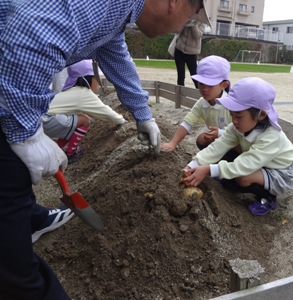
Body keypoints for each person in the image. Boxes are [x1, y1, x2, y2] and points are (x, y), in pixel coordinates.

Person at [0, 0, 208, 298]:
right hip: (6, 91)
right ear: (174, 2)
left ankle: (31, 216)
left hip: (8, 87)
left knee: (17, 175)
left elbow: (113, 50)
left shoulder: (118, 10)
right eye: (188, 19)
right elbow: (29, 32)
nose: (179, 30)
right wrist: (27, 134)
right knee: (7, 196)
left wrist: (143, 112)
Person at [181, 77, 293, 216]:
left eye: (239, 116)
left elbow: (245, 164)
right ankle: (232, 180)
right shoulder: (237, 127)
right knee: (229, 162)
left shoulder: (270, 136)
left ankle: (268, 198)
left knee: (243, 177)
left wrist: (208, 169)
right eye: (231, 115)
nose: (234, 121)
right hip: (258, 162)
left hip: (280, 171)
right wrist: (193, 164)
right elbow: (218, 146)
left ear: (261, 114)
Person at [161, 55, 232, 152]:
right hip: (218, 141)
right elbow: (188, 122)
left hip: (234, 143)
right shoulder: (202, 103)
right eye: (201, 83)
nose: (204, 89)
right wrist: (173, 143)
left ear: (223, 85)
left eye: (210, 85)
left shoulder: (231, 105)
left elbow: (239, 133)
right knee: (201, 140)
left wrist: (220, 133)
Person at [173, 19, 206, 88]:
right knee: (180, 75)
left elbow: (197, 36)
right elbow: (177, 31)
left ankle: (199, 94)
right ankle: (180, 95)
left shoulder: (202, 22)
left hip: (191, 53)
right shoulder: (186, 18)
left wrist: (194, 24)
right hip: (179, 50)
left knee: (194, 75)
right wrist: (184, 22)